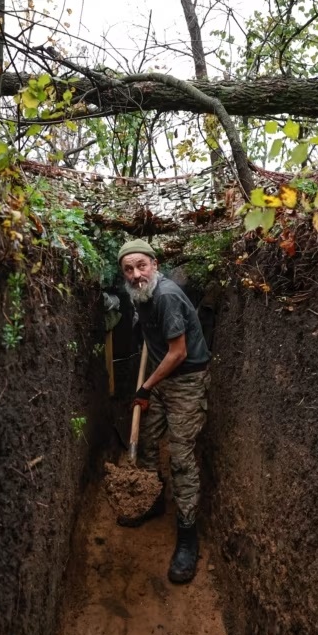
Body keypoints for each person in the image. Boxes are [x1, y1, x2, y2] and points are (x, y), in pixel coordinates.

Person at [117, 238, 211, 584]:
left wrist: (144, 388)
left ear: (155, 265)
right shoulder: (139, 293)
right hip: (161, 376)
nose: (136, 274)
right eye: (128, 269)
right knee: (145, 443)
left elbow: (178, 353)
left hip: (185, 379)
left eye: (142, 266)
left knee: (180, 457)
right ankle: (152, 498)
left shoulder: (167, 295)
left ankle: (188, 536)